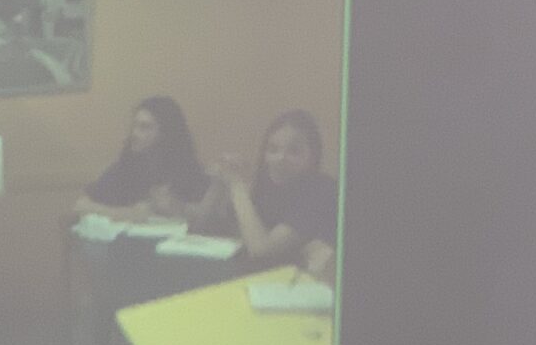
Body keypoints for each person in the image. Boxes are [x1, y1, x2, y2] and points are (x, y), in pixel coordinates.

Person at [204, 110, 340, 267]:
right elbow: (206, 227)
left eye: (294, 151)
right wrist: (218, 183)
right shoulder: (264, 186)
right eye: (273, 150)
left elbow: (262, 251)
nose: (280, 158)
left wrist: (236, 186)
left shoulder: (322, 191)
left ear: (312, 158)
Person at [75, 96, 212, 224]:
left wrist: (177, 208)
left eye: (144, 127)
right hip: (128, 240)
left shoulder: (188, 171)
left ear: (166, 133)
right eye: (134, 126)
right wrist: (129, 214)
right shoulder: (124, 169)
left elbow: (205, 217)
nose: (135, 133)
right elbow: (81, 206)